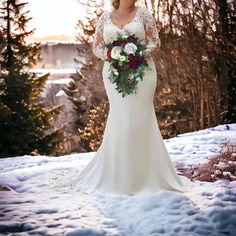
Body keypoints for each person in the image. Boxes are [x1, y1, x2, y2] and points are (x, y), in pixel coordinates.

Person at [72, 0, 193, 195]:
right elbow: (98, 48)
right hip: (114, 74)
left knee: (139, 119)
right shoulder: (104, 17)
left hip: (143, 72)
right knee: (122, 120)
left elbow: (155, 41)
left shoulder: (143, 13)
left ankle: (147, 175)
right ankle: (119, 175)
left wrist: (136, 54)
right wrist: (113, 55)